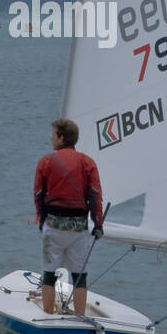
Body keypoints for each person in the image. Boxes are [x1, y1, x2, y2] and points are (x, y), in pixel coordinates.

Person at [34, 118, 104, 316]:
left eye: (54, 134)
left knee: (49, 275)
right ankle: (80, 315)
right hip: (79, 228)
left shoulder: (46, 161)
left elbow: (38, 194)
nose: (51, 138)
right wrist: (98, 223)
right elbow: (95, 195)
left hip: (53, 226)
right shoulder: (88, 162)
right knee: (80, 276)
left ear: (62, 137)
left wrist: (41, 219)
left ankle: (48, 313)